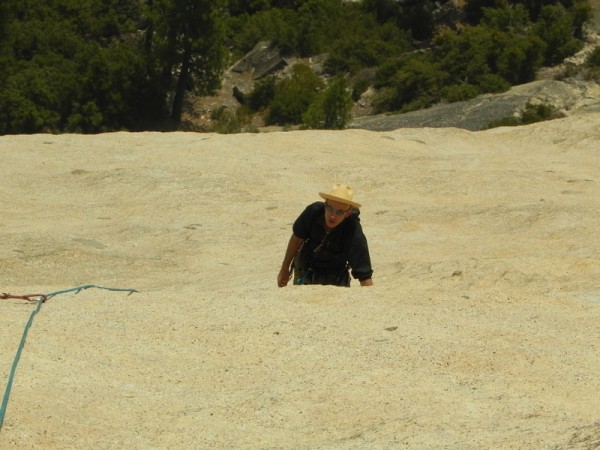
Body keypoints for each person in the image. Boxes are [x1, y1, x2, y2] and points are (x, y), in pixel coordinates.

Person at [277, 183, 373, 287]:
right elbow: (297, 239)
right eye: (330, 209)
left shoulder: (353, 230)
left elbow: (364, 274)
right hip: (306, 269)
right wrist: (284, 268)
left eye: (339, 212)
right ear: (325, 204)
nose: (333, 216)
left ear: (348, 213)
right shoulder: (313, 212)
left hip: (335, 276)